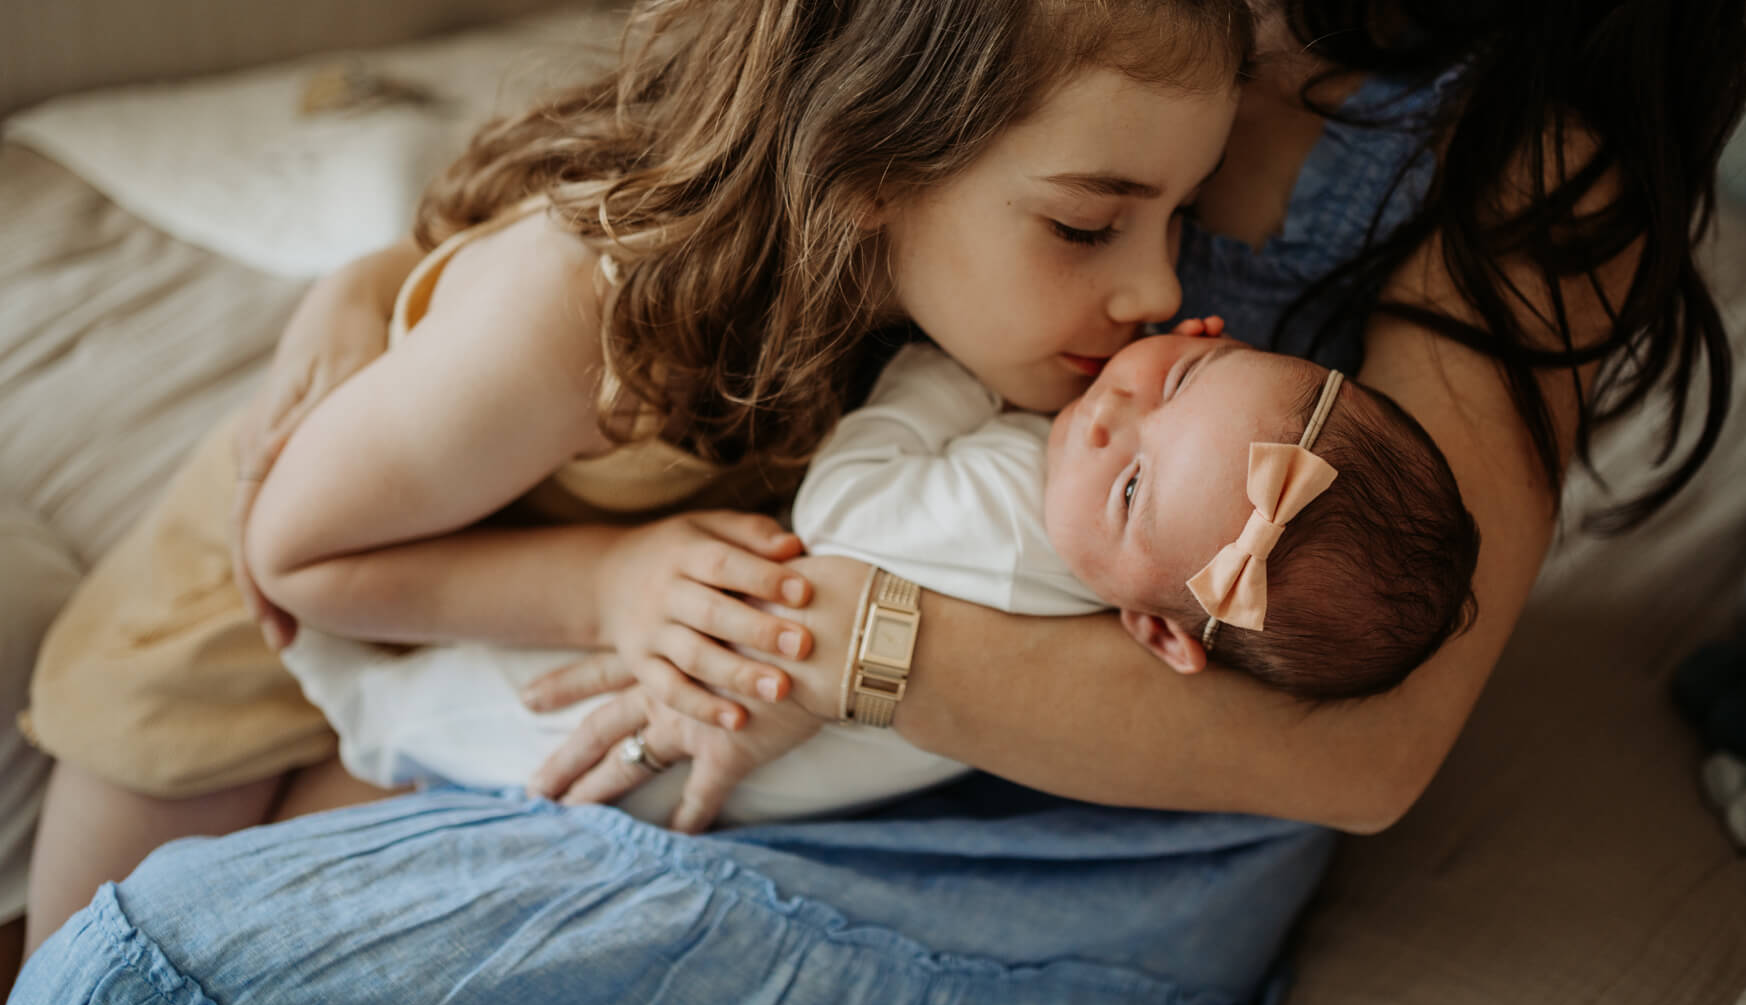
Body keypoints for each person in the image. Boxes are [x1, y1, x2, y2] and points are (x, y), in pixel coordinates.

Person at [3, 0, 1746, 1005]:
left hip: (1046, 827)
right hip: (709, 648)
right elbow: (698, 135)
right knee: (206, 881)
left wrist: (835, 633)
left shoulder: (1517, 154)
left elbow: (1375, 742)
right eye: (1095, 223)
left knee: (195, 957)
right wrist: (403, 280)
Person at [14, 0, 1248, 950]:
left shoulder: (906, 299)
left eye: (1180, 215)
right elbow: (298, 553)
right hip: (242, 650)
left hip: (447, 659)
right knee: (84, 981)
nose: (1159, 289)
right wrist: (607, 584)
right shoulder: (586, 317)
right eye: (1087, 224)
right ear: (868, 161)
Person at [278, 331, 1477, 826]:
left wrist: (948, 371)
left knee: (449, 701)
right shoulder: (1107, 562)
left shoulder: (1010, 525)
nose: (1113, 410)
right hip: (721, 761)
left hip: (637, 726)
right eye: (1177, 378)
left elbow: (841, 510)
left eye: (1129, 487)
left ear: (1157, 633)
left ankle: (329, 661)